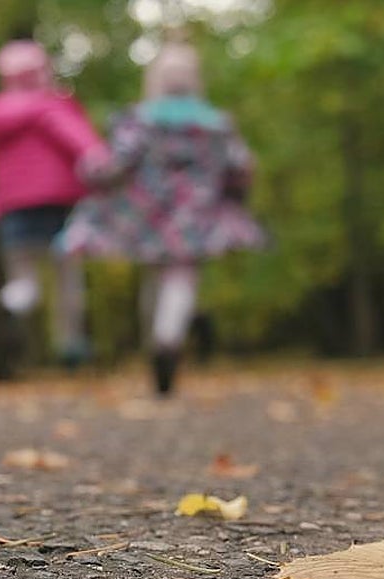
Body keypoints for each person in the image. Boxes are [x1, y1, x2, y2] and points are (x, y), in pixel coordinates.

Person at [59, 39, 267, 395]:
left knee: (155, 274)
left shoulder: (140, 119)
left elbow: (115, 162)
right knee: (182, 276)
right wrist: (236, 193)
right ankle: (167, 338)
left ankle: (157, 343)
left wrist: (90, 170)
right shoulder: (215, 123)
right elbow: (240, 167)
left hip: (148, 214)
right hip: (195, 213)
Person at [0, 40, 105, 367]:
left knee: (22, 271)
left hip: (14, 206)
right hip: (58, 203)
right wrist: (97, 158)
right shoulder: (53, 107)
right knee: (66, 276)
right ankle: (70, 342)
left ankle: (17, 302)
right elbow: (79, 139)